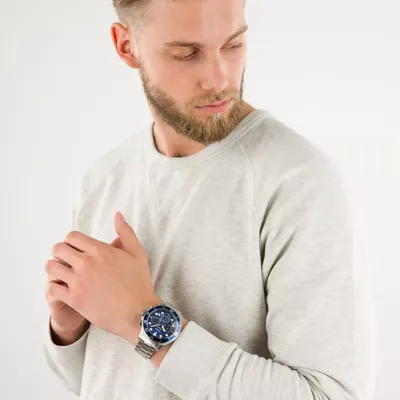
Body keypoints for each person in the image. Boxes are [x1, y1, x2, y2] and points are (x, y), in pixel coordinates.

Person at [43, 0, 374, 399]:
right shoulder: (103, 179)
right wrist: (70, 329)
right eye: (187, 53)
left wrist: (140, 319)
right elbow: (98, 382)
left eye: (233, 45)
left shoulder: (297, 181)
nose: (219, 79)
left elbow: (327, 394)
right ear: (126, 46)